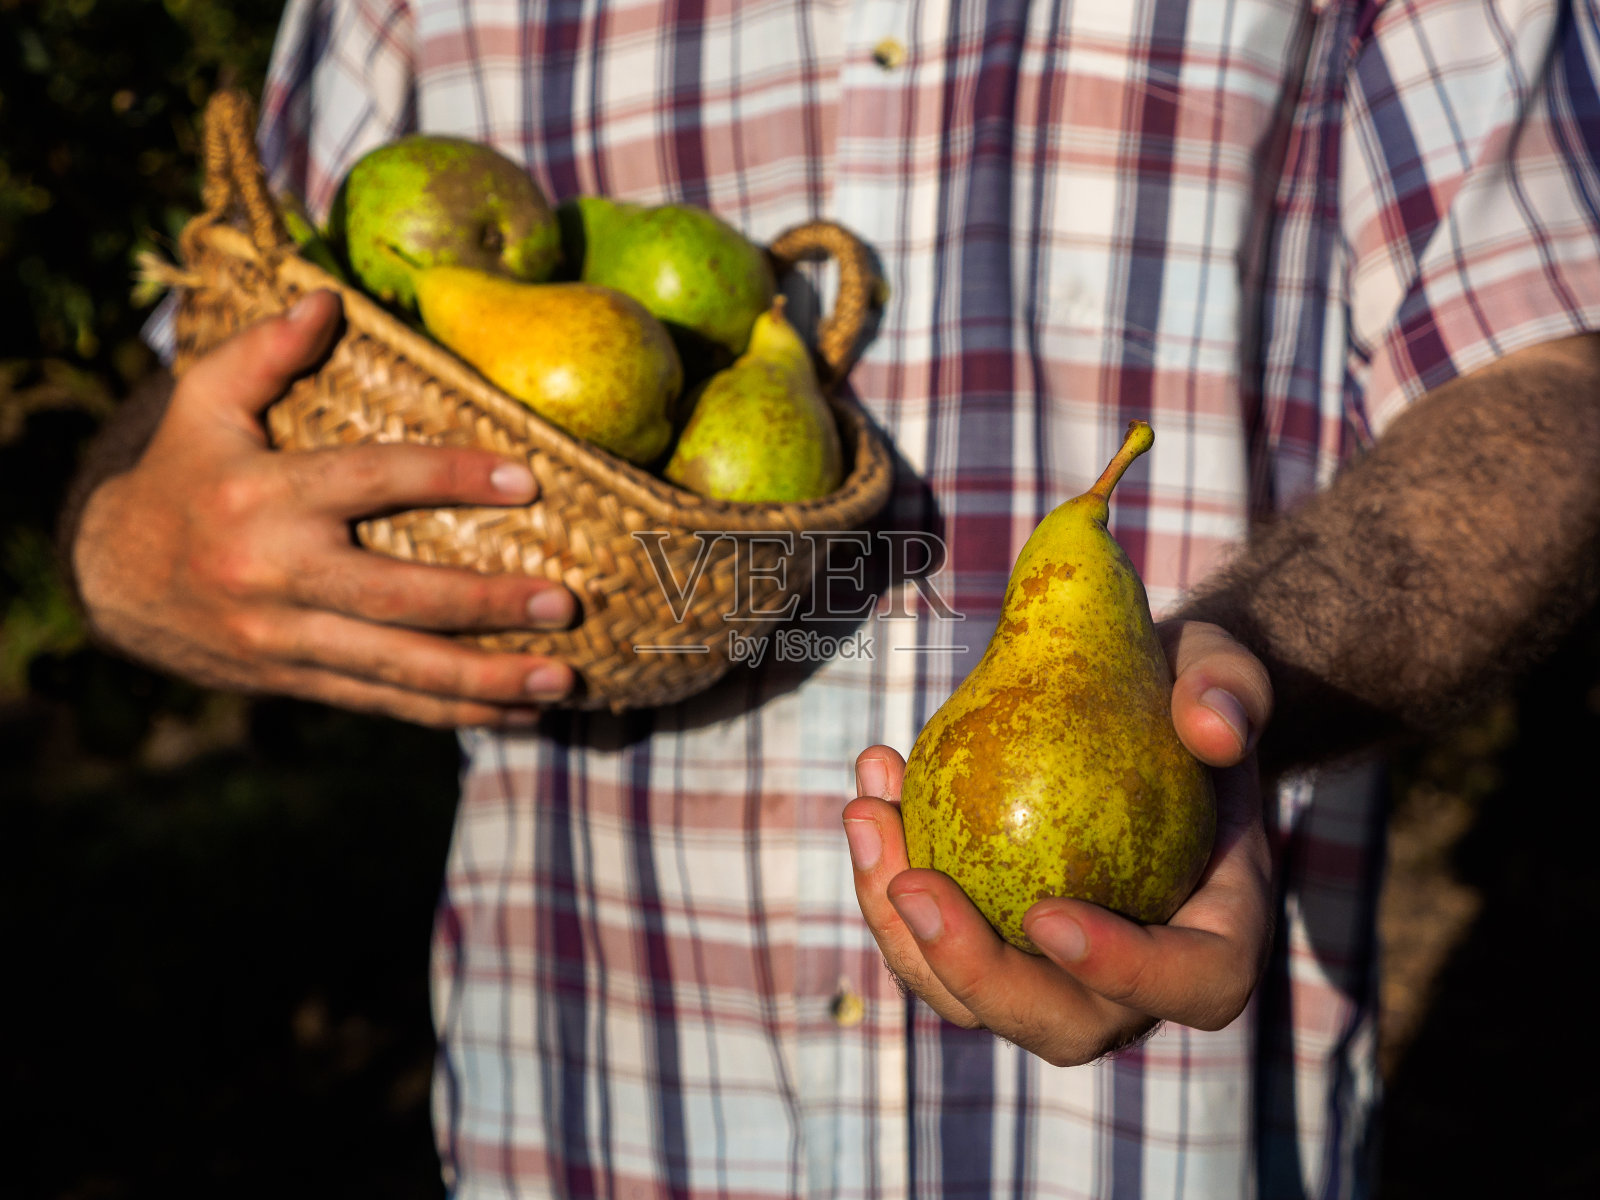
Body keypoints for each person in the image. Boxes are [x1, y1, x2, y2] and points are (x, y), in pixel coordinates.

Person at [63, 0, 1600, 1195]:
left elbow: (1555, 368)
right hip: (591, 1106)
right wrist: (131, 544)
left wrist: (1244, 682)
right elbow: (222, 333)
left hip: (1146, 1146)